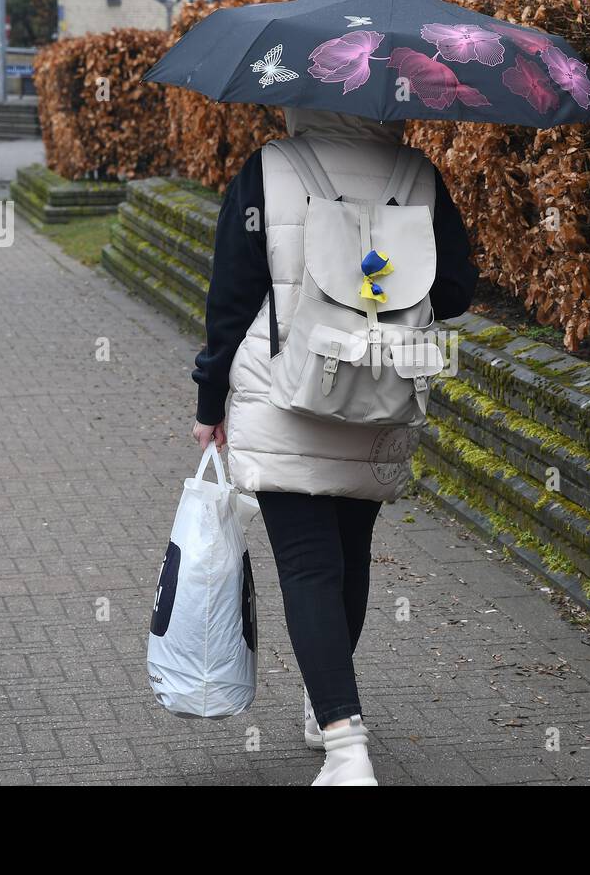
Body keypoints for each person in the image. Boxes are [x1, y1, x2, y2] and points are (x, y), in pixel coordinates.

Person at [191, 107, 477, 785]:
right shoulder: (419, 174)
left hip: (282, 393)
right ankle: (328, 719)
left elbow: (230, 298)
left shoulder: (269, 168)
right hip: (377, 391)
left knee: (308, 567)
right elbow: (459, 291)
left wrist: (209, 402)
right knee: (347, 559)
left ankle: (348, 748)